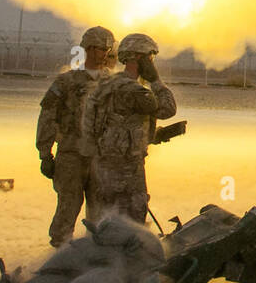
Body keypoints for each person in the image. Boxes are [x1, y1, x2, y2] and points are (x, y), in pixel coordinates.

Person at [80, 33, 177, 224]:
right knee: (132, 219)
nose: (152, 62)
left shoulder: (105, 85)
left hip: (102, 165)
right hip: (127, 167)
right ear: (139, 57)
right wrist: (155, 80)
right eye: (150, 58)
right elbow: (168, 108)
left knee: (106, 218)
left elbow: (99, 125)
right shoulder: (134, 90)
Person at [36, 26, 114, 247]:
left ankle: (96, 258)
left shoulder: (114, 84)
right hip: (71, 156)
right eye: (101, 48)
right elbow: (48, 117)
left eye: (109, 48)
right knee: (68, 207)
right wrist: (45, 154)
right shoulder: (66, 82)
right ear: (89, 49)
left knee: (101, 213)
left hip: (101, 158)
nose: (106, 53)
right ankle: (60, 255)